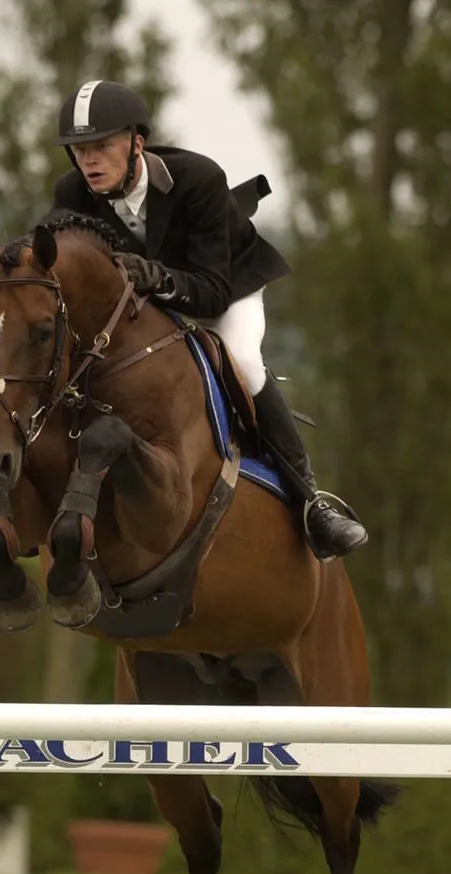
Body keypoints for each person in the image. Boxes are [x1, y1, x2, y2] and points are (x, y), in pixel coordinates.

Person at [52, 78, 367, 560]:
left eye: (101, 146)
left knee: (242, 359)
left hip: (226, 287)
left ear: (137, 143)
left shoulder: (196, 179)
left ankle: (313, 506)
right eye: (79, 150)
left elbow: (213, 291)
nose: (89, 160)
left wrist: (155, 277)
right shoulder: (72, 192)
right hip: (145, 299)